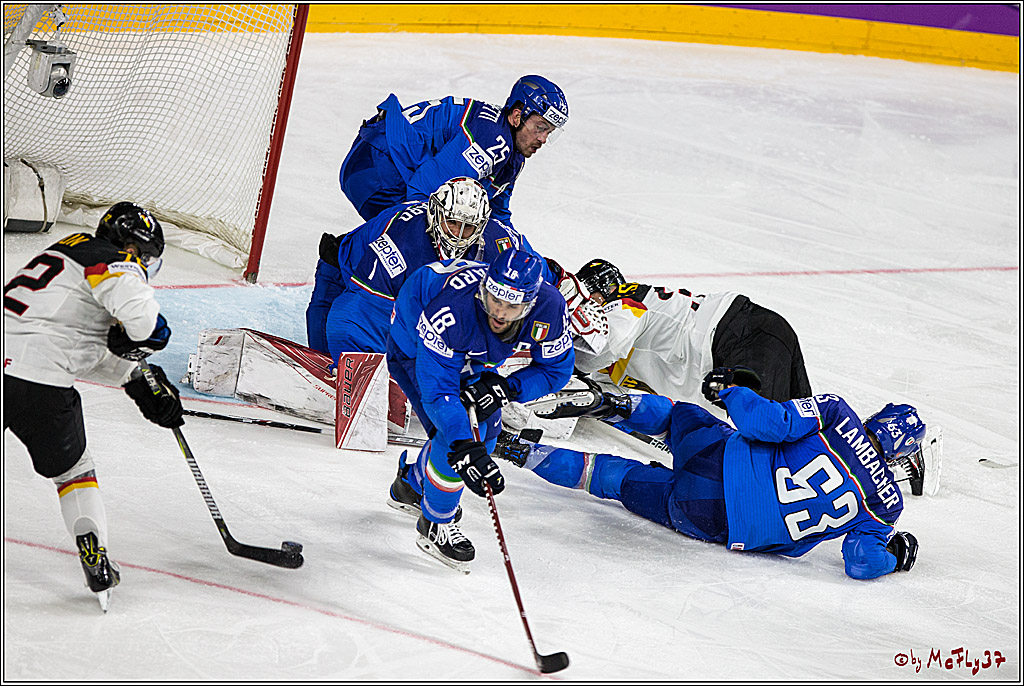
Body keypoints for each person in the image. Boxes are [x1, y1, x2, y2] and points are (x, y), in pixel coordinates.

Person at [493, 368, 921, 580]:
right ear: (901, 458)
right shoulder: (886, 506)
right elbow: (861, 564)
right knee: (611, 477)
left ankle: (610, 403)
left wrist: (732, 391)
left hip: (717, 457)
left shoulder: (836, 414)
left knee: (681, 416)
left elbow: (765, 424)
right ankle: (513, 450)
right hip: (712, 519)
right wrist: (894, 557)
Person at [3, 202, 185, 610]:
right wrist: (153, 338)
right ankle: (95, 555)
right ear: (137, 249)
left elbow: (72, 340)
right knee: (74, 472)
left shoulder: (61, 254)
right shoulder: (117, 261)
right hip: (41, 384)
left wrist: (136, 379)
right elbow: (143, 325)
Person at [385, 249, 574, 571]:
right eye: (494, 299)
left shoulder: (550, 306)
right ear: (484, 287)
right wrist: (462, 443)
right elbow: (440, 391)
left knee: (487, 427)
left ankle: (412, 485)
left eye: (512, 306)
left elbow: (556, 370)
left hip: (472, 352)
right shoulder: (451, 310)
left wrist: (507, 388)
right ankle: (435, 523)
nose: (499, 312)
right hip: (415, 348)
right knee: (457, 437)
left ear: (530, 303)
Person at [315, 177, 555, 360]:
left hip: (416, 287)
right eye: (452, 222)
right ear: (435, 212)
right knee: (338, 340)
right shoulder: (400, 242)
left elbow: (535, 273)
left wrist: (565, 283)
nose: (458, 235)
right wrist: (356, 364)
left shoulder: (500, 241)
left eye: (468, 227)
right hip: (344, 274)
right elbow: (358, 312)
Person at [570, 258, 812, 407]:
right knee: (801, 421)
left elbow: (609, 346)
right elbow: (606, 385)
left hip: (735, 336)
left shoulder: (624, 302)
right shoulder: (626, 318)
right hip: (755, 328)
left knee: (763, 426)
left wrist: (566, 368)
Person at [339, 75, 569, 224]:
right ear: (518, 116)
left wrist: (517, 255)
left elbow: (496, 216)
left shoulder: (511, 155)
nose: (543, 139)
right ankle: (342, 265)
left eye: (549, 132)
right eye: (540, 127)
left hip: (377, 159)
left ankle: (341, 261)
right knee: (422, 250)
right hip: (378, 167)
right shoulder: (493, 140)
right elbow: (423, 190)